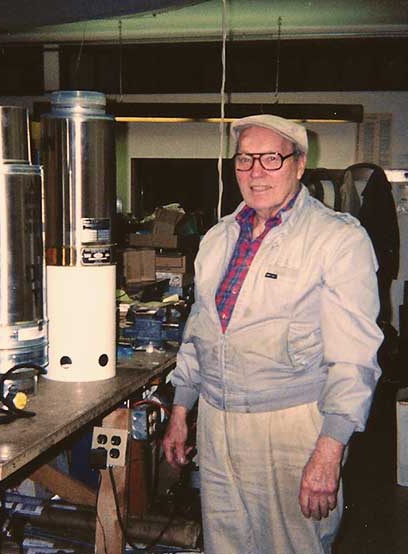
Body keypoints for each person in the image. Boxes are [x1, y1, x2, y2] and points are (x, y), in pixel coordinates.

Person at [162, 115, 383, 554]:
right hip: (217, 421)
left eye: (271, 158)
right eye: (245, 159)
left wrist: (329, 449)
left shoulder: (337, 239)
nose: (256, 171)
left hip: (292, 425)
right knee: (224, 544)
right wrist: (181, 408)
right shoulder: (218, 238)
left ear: (299, 165)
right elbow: (200, 331)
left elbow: (354, 355)